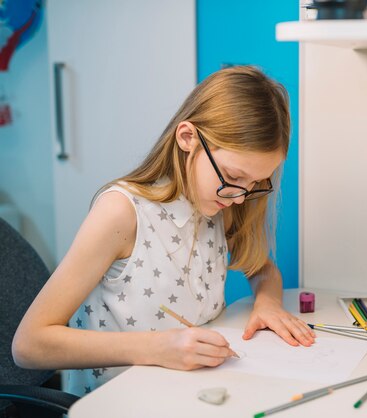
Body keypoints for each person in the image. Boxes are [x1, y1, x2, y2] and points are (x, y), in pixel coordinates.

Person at [12, 65, 315, 395]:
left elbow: (262, 268)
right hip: (117, 403)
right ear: (187, 138)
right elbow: (29, 344)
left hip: (188, 396)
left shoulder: (219, 207)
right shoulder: (122, 213)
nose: (241, 196)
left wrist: (267, 302)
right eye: (234, 176)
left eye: (256, 183)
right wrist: (158, 348)